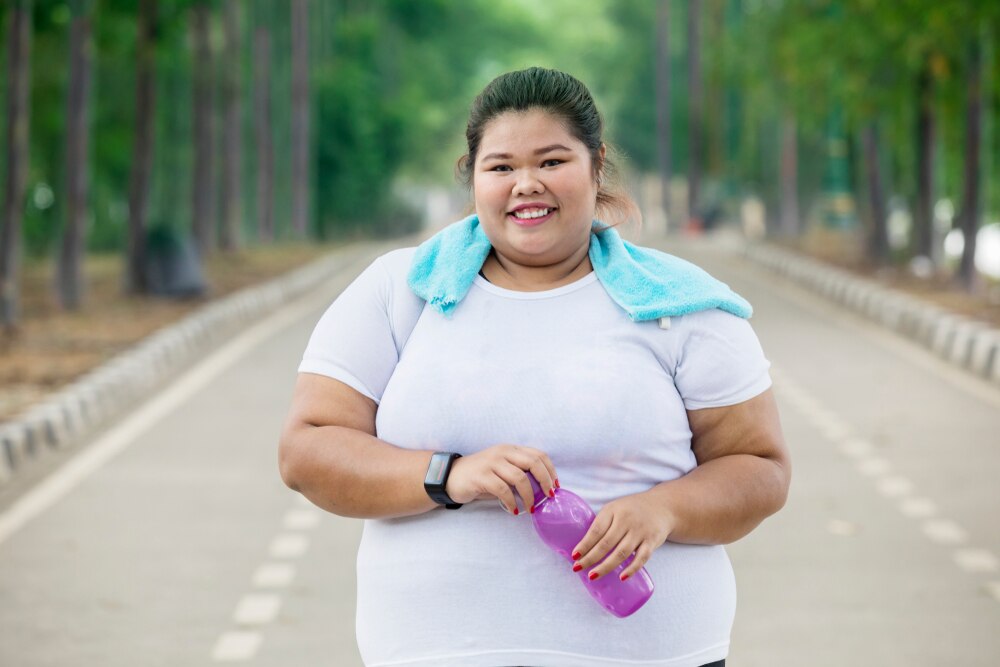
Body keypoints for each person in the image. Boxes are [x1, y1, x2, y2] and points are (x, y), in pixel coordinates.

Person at [279, 67, 790, 667]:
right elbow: (307, 450)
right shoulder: (403, 290)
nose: (526, 185)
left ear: (597, 166)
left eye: (551, 162)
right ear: (472, 178)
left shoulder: (680, 303)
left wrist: (663, 509)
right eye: (501, 167)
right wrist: (450, 475)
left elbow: (760, 467)